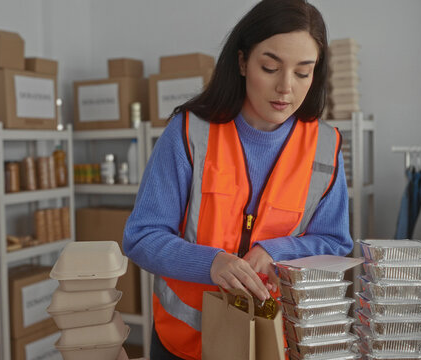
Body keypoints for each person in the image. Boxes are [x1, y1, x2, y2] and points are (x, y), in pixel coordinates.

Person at [123, 1, 353, 359]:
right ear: (243, 62)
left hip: (276, 341)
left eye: (302, 73)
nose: (285, 87)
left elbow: (335, 241)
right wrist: (211, 263)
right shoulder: (188, 133)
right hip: (185, 345)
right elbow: (141, 237)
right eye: (270, 67)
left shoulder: (326, 147)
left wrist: (275, 251)